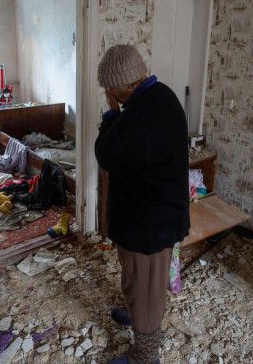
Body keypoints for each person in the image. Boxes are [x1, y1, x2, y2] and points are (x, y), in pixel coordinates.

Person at [94, 44, 190, 364]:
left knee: (147, 292)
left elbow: (107, 154)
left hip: (149, 226)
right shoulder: (158, 95)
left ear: (123, 86)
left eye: (110, 90)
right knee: (138, 282)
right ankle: (138, 315)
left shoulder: (145, 114)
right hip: (149, 217)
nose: (110, 95)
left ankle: (145, 356)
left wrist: (110, 113)